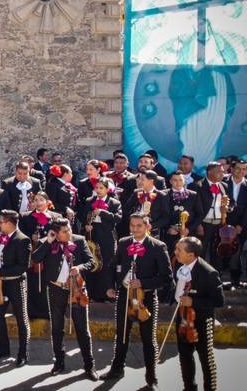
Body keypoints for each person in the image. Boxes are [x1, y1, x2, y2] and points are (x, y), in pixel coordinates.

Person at [100, 214, 173, 390]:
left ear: (147, 226)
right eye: (132, 225)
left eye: (139, 226)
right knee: (121, 334)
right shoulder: (124, 242)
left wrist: (143, 283)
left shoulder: (158, 246)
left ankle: (151, 376)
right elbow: (113, 266)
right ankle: (117, 369)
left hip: (145, 298)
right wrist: (111, 286)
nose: (135, 229)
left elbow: (167, 277)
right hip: (124, 295)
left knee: (148, 338)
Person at [31, 218, 97, 380]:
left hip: (77, 289)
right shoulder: (46, 243)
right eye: (65, 231)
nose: (69, 233)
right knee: (57, 327)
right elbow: (36, 259)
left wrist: (79, 268)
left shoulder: (80, 241)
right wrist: (48, 241)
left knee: (82, 328)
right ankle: (59, 362)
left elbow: (91, 262)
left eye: (69, 229)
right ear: (56, 233)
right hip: (56, 289)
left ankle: (89, 366)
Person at [172, 237, 225, 391]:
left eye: (179, 250)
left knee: (206, 358)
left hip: (201, 321)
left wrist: (193, 302)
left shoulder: (209, 273)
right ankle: (189, 387)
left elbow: (219, 301)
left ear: (192, 255)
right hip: (182, 318)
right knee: (185, 355)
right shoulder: (180, 266)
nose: (176, 252)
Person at [0, 210, 32, 367]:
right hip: (1, 283)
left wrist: (2, 272)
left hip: (16, 284)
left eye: (1, 222)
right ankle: (3, 348)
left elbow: (23, 267)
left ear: (10, 223)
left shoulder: (23, 240)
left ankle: (23, 354)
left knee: (21, 318)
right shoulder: (2, 238)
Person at [78, 177, 123, 302]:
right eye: (96, 188)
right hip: (93, 235)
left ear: (107, 189)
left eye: (101, 188)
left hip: (107, 237)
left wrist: (102, 212)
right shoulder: (89, 200)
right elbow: (83, 216)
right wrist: (86, 225)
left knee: (106, 264)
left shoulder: (114, 202)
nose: (98, 190)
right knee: (92, 263)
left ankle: (106, 294)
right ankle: (91, 293)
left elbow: (118, 218)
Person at [19, 191, 62, 319]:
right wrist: (30, 237)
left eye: (41, 200)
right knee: (32, 283)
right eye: (36, 200)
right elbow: (20, 234)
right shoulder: (25, 216)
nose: (38, 203)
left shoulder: (56, 216)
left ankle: (48, 311)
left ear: (47, 202)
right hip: (32, 255)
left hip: (50, 255)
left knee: (48, 283)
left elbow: (59, 234)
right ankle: (31, 312)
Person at [164, 171, 204, 263]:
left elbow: (200, 214)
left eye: (180, 180)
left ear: (184, 181)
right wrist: (168, 228)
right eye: (175, 180)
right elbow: (161, 214)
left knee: (186, 258)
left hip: (187, 234)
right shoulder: (164, 194)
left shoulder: (193, 195)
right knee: (169, 258)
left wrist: (188, 229)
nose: (177, 182)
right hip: (170, 234)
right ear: (170, 181)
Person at [123, 170, 170, 238]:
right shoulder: (137, 193)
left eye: (142, 179)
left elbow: (166, 217)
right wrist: (132, 221)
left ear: (151, 181)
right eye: (139, 179)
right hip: (135, 230)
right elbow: (126, 209)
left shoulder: (162, 196)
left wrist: (152, 225)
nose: (139, 181)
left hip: (153, 232)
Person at [225, 159, 247, 288]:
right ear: (232, 169)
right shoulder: (223, 183)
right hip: (223, 224)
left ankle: (235, 279)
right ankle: (219, 278)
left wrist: (241, 226)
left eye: (244, 169)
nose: (241, 171)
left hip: (241, 227)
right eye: (238, 168)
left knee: (236, 252)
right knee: (220, 250)